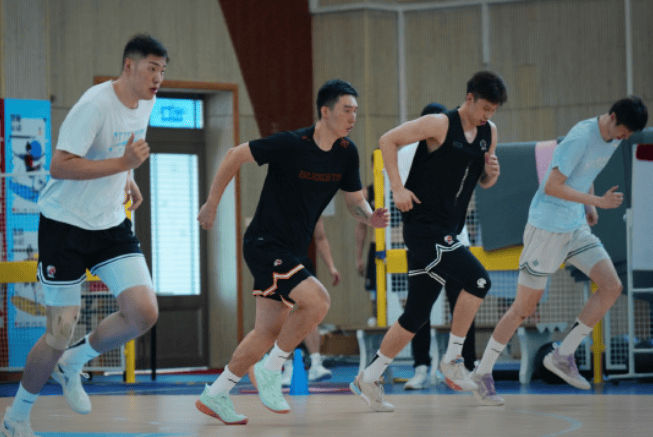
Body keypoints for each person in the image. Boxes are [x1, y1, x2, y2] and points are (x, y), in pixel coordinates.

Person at [195, 79, 389, 425]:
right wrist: (212, 204)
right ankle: (272, 368)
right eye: (347, 110)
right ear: (325, 111)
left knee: (266, 331)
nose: (353, 117)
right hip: (265, 243)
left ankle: (217, 393)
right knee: (318, 301)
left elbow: (354, 202)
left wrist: (369, 216)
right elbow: (234, 155)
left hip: (293, 251)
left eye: (356, 111)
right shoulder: (291, 143)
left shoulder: (347, 152)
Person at [2, 34, 167, 437]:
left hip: (110, 223)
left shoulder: (146, 102)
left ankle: (74, 361)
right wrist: (122, 165)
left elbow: (123, 150)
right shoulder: (94, 105)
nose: (158, 78)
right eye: (152, 69)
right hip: (65, 226)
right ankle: (16, 417)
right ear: (129, 66)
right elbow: (59, 166)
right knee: (59, 331)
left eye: (163, 71)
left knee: (143, 312)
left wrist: (127, 177)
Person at [471, 96, 648, 406]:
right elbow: (552, 185)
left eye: (631, 133)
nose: (626, 136)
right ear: (613, 117)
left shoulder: (612, 140)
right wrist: (597, 201)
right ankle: (482, 372)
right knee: (523, 309)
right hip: (547, 229)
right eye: (625, 130)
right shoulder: (580, 137)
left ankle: (562, 355)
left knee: (611, 286)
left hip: (575, 226)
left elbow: (585, 173)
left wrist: (588, 207)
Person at [350, 71, 507, 412]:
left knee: (416, 314)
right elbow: (387, 140)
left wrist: (491, 175)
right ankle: (453, 360)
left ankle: (369, 377)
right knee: (479, 280)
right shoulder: (439, 123)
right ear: (469, 98)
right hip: (424, 228)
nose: (488, 115)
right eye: (484, 108)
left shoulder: (488, 133)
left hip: (448, 228)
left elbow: (482, 181)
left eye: (493, 110)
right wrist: (396, 188)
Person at [397, 103, 477, 390]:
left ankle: (464, 366)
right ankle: (421, 367)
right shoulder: (407, 153)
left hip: (455, 239)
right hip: (423, 239)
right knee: (419, 308)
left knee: (464, 303)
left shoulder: (457, 148)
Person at [280, 218, 340, 386]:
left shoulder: (313, 208)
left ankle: (316, 364)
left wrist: (331, 266)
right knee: (282, 312)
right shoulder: (276, 207)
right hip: (279, 261)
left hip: (301, 261)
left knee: (310, 310)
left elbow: (320, 237)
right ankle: (287, 367)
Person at [355, 156, 378, 326]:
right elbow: (361, 226)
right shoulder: (368, 192)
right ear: (372, 165)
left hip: (399, 245)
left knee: (402, 294)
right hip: (376, 247)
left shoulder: (399, 190)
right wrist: (358, 257)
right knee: (375, 295)